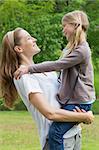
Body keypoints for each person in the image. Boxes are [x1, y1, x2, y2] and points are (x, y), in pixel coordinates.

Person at [14, 10, 96, 150]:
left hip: (76, 123)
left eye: (65, 26)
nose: (63, 29)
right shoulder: (24, 77)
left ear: (75, 25)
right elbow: (50, 112)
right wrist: (84, 117)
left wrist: (29, 68)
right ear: (18, 48)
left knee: (56, 132)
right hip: (65, 137)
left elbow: (57, 65)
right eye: (28, 38)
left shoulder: (81, 50)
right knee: (55, 133)